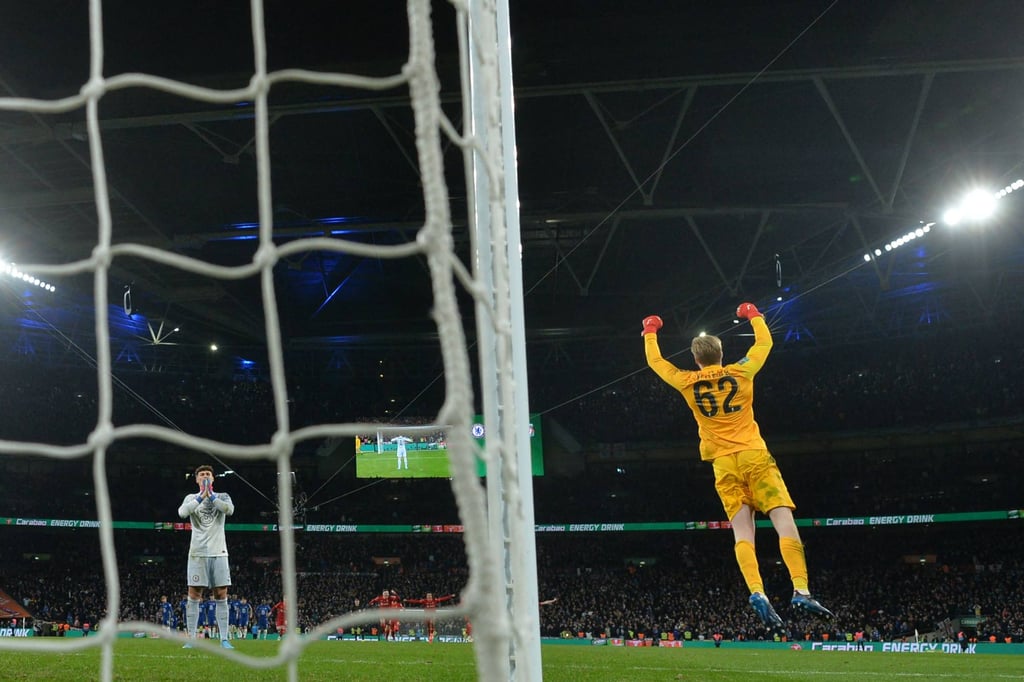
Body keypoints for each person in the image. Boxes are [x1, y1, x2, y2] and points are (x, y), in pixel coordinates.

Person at [642, 304, 834, 629]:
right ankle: (800, 588)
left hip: (722, 464)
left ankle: (757, 590)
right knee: (783, 520)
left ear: (696, 359)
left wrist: (650, 331)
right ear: (721, 353)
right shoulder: (741, 370)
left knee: (743, 533)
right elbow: (764, 344)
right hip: (755, 456)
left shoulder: (687, 381)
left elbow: (656, 362)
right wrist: (754, 314)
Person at [178, 464, 236, 649]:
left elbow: (229, 510)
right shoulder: (190, 498)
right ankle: (191, 639)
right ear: (196, 479)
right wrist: (201, 496)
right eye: (201, 474)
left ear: (213, 479)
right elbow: (182, 513)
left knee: (221, 594)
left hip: (219, 553)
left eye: (208, 474)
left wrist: (211, 495)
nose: (204, 476)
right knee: (194, 594)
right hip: (197, 554)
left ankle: (224, 639)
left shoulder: (223, 496)